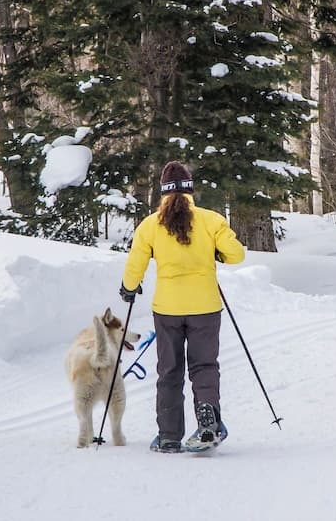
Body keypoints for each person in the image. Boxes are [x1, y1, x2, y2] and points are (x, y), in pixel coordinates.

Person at [120, 161, 246, 453]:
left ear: (163, 192)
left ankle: (168, 436)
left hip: (167, 309)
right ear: (190, 189)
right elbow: (236, 254)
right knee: (204, 366)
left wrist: (128, 288)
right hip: (205, 306)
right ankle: (208, 419)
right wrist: (217, 253)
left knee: (169, 370)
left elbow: (134, 264)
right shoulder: (211, 220)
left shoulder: (150, 225)